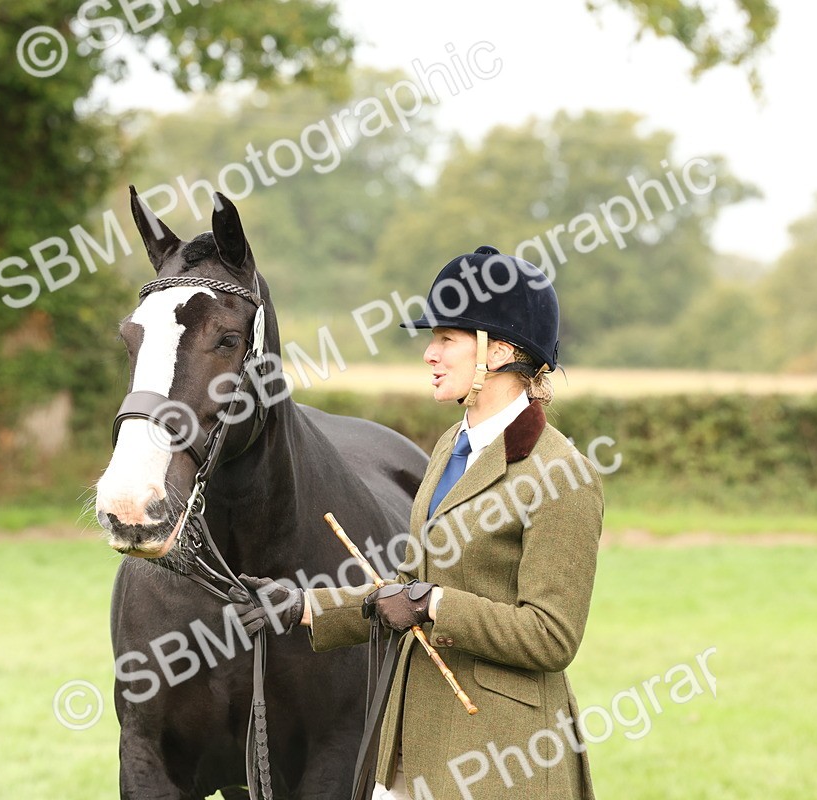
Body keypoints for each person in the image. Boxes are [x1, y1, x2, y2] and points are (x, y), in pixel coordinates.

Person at [235, 246, 604, 800]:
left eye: (446, 339)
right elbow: (405, 587)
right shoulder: (449, 448)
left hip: (504, 759)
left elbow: (551, 637)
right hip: (408, 747)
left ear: (500, 351)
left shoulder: (561, 475)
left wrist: (435, 605)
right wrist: (304, 607)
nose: (429, 354)